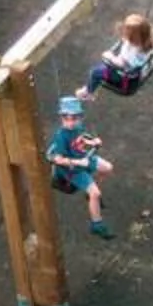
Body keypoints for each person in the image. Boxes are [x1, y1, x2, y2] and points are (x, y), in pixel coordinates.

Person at [46, 95, 117, 238]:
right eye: (66, 118)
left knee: (108, 168)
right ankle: (97, 224)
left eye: (74, 118)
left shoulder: (78, 127)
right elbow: (57, 158)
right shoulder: (61, 136)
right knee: (95, 193)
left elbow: (81, 139)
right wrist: (78, 163)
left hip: (84, 157)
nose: (71, 122)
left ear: (79, 117)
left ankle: (90, 192)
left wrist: (93, 143)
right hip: (72, 169)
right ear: (62, 117)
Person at [85, 11, 153, 98]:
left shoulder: (132, 53)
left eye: (126, 31)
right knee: (101, 67)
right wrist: (127, 41)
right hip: (137, 70)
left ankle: (89, 92)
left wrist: (110, 56)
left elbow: (121, 64)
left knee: (95, 72)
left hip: (123, 75)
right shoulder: (146, 43)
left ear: (132, 37)